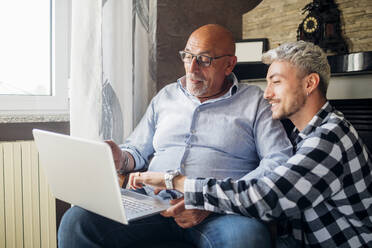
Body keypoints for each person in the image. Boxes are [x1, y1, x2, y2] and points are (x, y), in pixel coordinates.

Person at [58, 24, 293, 248]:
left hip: (218, 211)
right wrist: (120, 157)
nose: (192, 68)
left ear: (229, 65)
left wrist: (214, 200)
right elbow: (138, 150)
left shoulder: (255, 101)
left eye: (204, 60)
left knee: (247, 239)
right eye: (188, 56)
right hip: (152, 204)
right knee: (77, 221)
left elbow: (278, 161)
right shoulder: (166, 96)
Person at [131, 41, 372, 248]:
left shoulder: (329, 139)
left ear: (310, 84)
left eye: (276, 82)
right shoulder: (308, 136)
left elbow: (267, 197)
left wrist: (177, 181)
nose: (267, 94)